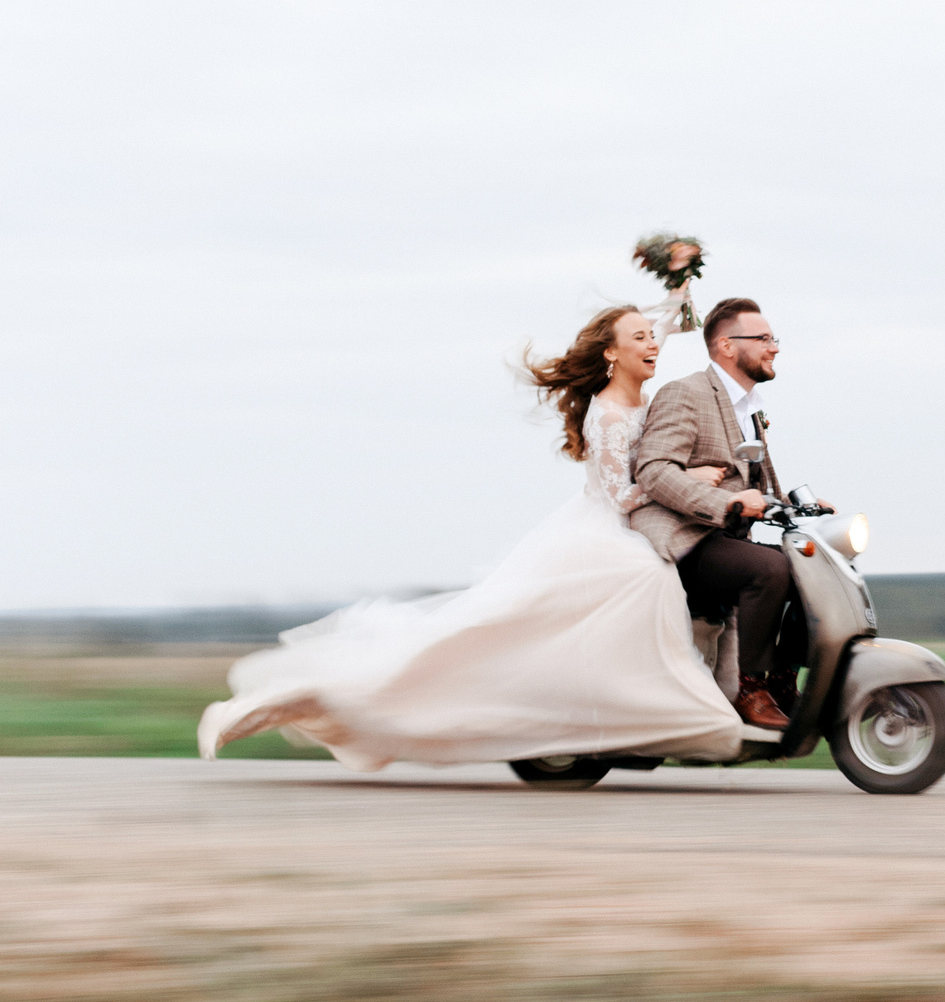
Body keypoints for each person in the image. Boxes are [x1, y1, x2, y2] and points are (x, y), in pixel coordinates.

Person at [197, 306, 745, 769]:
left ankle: (631, 716)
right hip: (605, 535)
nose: (654, 345)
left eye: (654, 338)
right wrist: (687, 482)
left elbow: (667, 324)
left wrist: (679, 284)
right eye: (641, 339)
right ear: (611, 353)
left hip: (623, 530)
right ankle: (287, 704)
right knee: (476, 644)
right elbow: (621, 496)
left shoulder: (642, 396)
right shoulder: (606, 414)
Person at [628, 296, 807, 731]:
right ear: (727, 345)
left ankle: (783, 679)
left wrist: (799, 504)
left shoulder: (749, 407)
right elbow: (653, 470)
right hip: (683, 534)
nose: (775, 347)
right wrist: (725, 503)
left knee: (812, 564)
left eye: (773, 338)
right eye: (764, 338)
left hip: (725, 538)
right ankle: (749, 688)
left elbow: (756, 481)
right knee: (770, 569)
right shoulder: (685, 393)